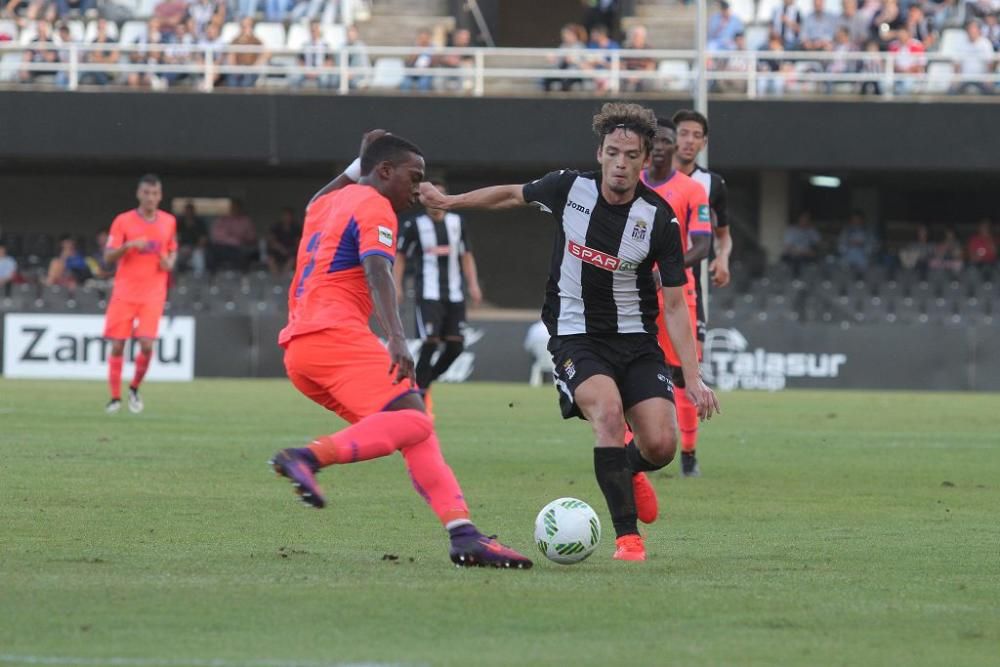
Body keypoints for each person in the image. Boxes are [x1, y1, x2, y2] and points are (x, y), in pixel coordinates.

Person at [418, 103, 720, 562]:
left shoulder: (659, 218)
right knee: (608, 412)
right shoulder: (568, 188)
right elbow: (509, 195)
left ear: (644, 161)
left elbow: (675, 305)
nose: (621, 163)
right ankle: (628, 539)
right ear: (599, 153)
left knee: (660, 446)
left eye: (631, 155)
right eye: (613, 152)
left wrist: (693, 379)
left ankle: (629, 469)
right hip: (576, 335)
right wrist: (450, 200)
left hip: (637, 340)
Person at [268, 131, 532, 570]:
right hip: (334, 334)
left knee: (415, 429)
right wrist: (395, 336)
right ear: (385, 172)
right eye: (414, 177)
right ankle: (306, 456)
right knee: (411, 418)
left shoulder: (326, 204)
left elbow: (324, 190)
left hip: (301, 351)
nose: (419, 187)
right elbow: (378, 270)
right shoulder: (376, 205)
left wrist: (358, 162)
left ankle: (463, 535)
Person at [640, 117, 712, 483]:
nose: (661, 146)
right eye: (657, 140)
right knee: (630, 366)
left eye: (668, 140)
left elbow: (702, 244)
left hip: (675, 289)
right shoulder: (630, 185)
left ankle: (688, 453)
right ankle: (630, 450)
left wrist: (666, 267)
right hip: (633, 290)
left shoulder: (691, 190)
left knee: (683, 373)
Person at [671, 108, 732, 477]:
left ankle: (689, 453)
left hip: (690, 294)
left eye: (696, 135)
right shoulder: (649, 178)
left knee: (685, 372)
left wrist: (723, 258)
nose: (689, 140)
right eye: (684, 133)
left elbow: (723, 238)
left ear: (704, 142)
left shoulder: (713, 185)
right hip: (646, 290)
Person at [393, 180, 482, 408]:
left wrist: (473, 284)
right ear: (423, 201)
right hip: (428, 293)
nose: (434, 202)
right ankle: (420, 394)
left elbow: (466, 255)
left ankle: (425, 381)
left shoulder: (457, 223)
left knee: (456, 346)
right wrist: (397, 286)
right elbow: (400, 256)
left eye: (438, 197)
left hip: (455, 294)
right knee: (430, 342)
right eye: (428, 198)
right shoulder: (414, 224)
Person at [102, 174, 178, 415]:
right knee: (117, 345)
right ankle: (114, 398)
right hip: (124, 292)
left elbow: (172, 251)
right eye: (146, 193)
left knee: (146, 344)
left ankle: (134, 388)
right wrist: (128, 246)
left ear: (160, 196)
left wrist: (169, 262)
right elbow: (108, 257)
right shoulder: (123, 221)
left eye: (155, 193)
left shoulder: (168, 221)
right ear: (139, 194)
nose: (150, 198)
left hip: (153, 293)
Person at [781, 211, 822, 276]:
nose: (805, 221)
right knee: (796, 259)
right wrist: (804, 252)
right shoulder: (791, 230)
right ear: (799, 219)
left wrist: (814, 251)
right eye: (804, 218)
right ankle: (795, 281)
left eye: (807, 219)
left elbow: (819, 244)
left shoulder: (812, 230)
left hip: (807, 255)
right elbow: (787, 247)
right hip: (792, 255)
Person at [266, 206, 301, 274]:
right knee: (270, 258)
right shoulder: (276, 227)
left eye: (288, 215)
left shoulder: (296, 228)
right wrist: (281, 249)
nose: (286, 217)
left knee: (292, 259)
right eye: (285, 215)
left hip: (291, 251)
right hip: (278, 250)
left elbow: (298, 243)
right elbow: (272, 241)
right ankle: (275, 278)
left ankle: (284, 277)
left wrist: (289, 250)